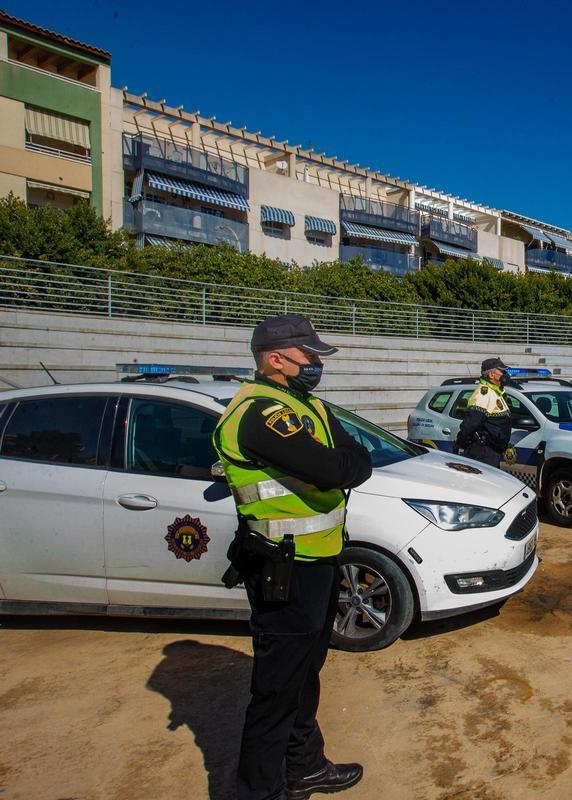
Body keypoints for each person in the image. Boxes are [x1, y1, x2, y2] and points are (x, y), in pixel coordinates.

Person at [213, 314, 373, 800]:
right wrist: (345, 465)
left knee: (305, 676)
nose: (317, 364)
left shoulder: (307, 406)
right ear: (275, 359)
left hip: (318, 562)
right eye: (310, 356)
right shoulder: (259, 413)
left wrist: (347, 464)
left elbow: (358, 457)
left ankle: (304, 768)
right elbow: (334, 467)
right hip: (281, 567)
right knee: (275, 692)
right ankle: (259, 791)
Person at [454, 356, 512, 466]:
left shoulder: (495, 392)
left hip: (492, 452)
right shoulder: (483, 394)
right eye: (502, 372)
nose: (506, 375)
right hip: (483, 452)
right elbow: (470, 424)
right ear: (491, 375)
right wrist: (461, 442)